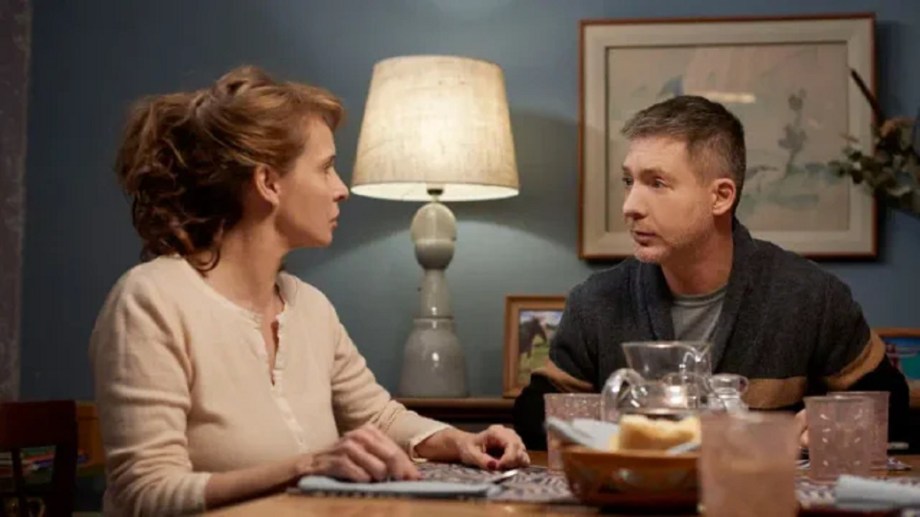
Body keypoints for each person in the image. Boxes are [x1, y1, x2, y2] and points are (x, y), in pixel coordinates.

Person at [90, 65, 529, 516]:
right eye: (326, 168)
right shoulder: (151, 300)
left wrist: (461, 442)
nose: (341, 190)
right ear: (268, 183)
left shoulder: (309, 306)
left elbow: (380, 417)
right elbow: (146, 492)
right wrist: (308, 467)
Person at [513, 95, 910, 450]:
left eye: (657, 183)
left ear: (720, 196)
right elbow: (535, 416)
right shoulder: (596, 301)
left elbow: (891, 410)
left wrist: (827, 428)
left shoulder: (811, 296)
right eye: (629, 181)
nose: (630, 206)